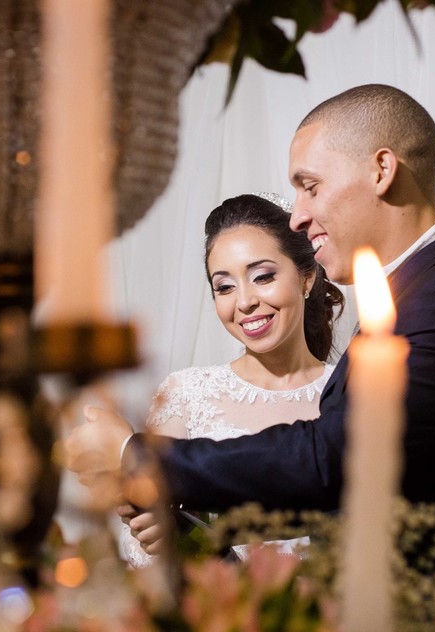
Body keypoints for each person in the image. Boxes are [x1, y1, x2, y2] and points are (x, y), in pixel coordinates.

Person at [68, 84, 435, 632]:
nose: (297, 215)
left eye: (309, 186)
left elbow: (336, 461)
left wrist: (133, 455)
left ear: (381, 170)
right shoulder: (419, 295)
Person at [119, 193, 343, 566]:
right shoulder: (185, 396)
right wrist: (169, 537)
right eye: (224, 286)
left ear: (307, 277)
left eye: (263, 277)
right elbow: (141, 551)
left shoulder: (353, 390)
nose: (244, 302)